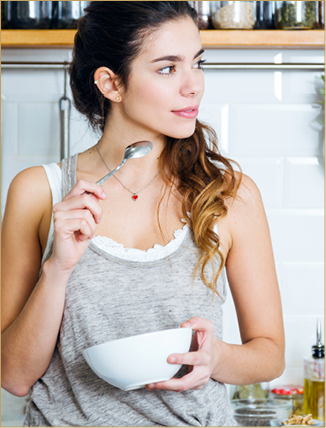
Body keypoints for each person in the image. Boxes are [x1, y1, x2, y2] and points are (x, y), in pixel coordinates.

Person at [1, 2, 285, 426]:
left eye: (198, 63)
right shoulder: (38, 192)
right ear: (111, 84)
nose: (194, 86)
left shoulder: (229, 195)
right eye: (168, 68)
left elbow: (270, 354)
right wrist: (57, 269)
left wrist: (217, 357)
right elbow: (14, 376)